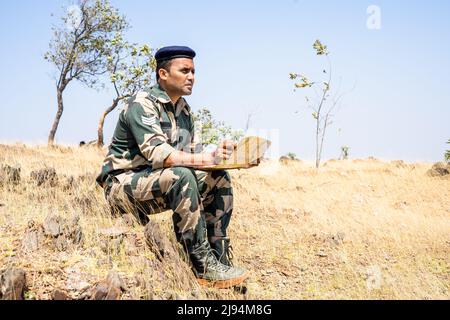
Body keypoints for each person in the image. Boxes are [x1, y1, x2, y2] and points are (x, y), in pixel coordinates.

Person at [96, 46, 250, 288]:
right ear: (163, 74)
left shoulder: (184, 110)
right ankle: (200, 263)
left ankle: (217, 255)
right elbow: (160, 154)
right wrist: (205, 159)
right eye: (185, 70)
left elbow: (192, 155)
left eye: (194, 71)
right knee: (181, 176)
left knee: (219, 177)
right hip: (122, 186)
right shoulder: (142, 103)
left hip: (155, 182)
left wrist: (225, 158)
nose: (192, 77)